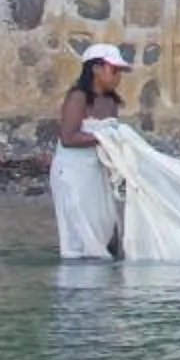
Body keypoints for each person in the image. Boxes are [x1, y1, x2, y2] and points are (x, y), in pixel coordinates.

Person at [52, 43, 128, 260]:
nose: (117, 77)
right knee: (82, 229)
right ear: (96, 69)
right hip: (73, 173)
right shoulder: (78, 97)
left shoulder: (111, 102)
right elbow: (68, 138)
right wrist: (103, 139)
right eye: (113, 70)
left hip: (97, 172)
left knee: (107, 224)